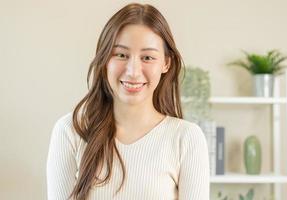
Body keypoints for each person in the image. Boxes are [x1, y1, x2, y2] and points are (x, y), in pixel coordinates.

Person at [46, 3, 209, 200]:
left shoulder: (187, 138)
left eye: (147, 57)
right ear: (105, 59)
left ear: (166, 63)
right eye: (121, 55)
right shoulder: (70, 131)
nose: (133, 71)